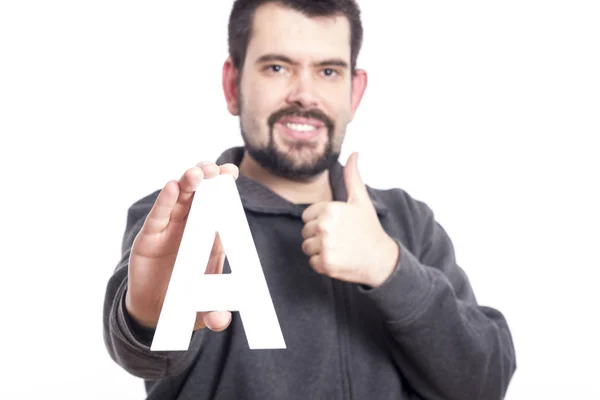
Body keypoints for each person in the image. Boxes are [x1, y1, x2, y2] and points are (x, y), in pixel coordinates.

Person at [102, 0, 517, 399]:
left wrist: (390, 268)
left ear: (355, 93)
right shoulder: (182, 216)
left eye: (329, 71)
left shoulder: (409, 224)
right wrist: (151, 313)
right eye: (277, 67)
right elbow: (144, 347)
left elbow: (483, 385)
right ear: (233, 85)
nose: (304, 94)